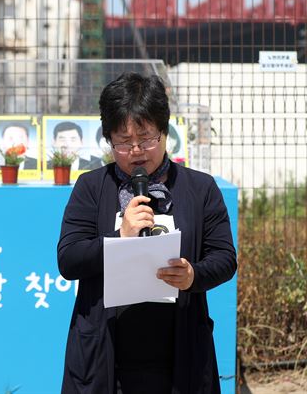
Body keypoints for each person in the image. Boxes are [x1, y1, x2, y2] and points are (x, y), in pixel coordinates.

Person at [57, 72, 237, 394]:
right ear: (109, 139)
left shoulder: (200, 188)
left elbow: (224, 258)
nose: (137, 151)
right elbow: (69, 260)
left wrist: (193, 274)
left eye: (147, 138)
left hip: (181, 354)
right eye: (123, 142)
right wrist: (118, 239)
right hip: (106, 353)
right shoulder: (91, 187)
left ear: (165, 133)